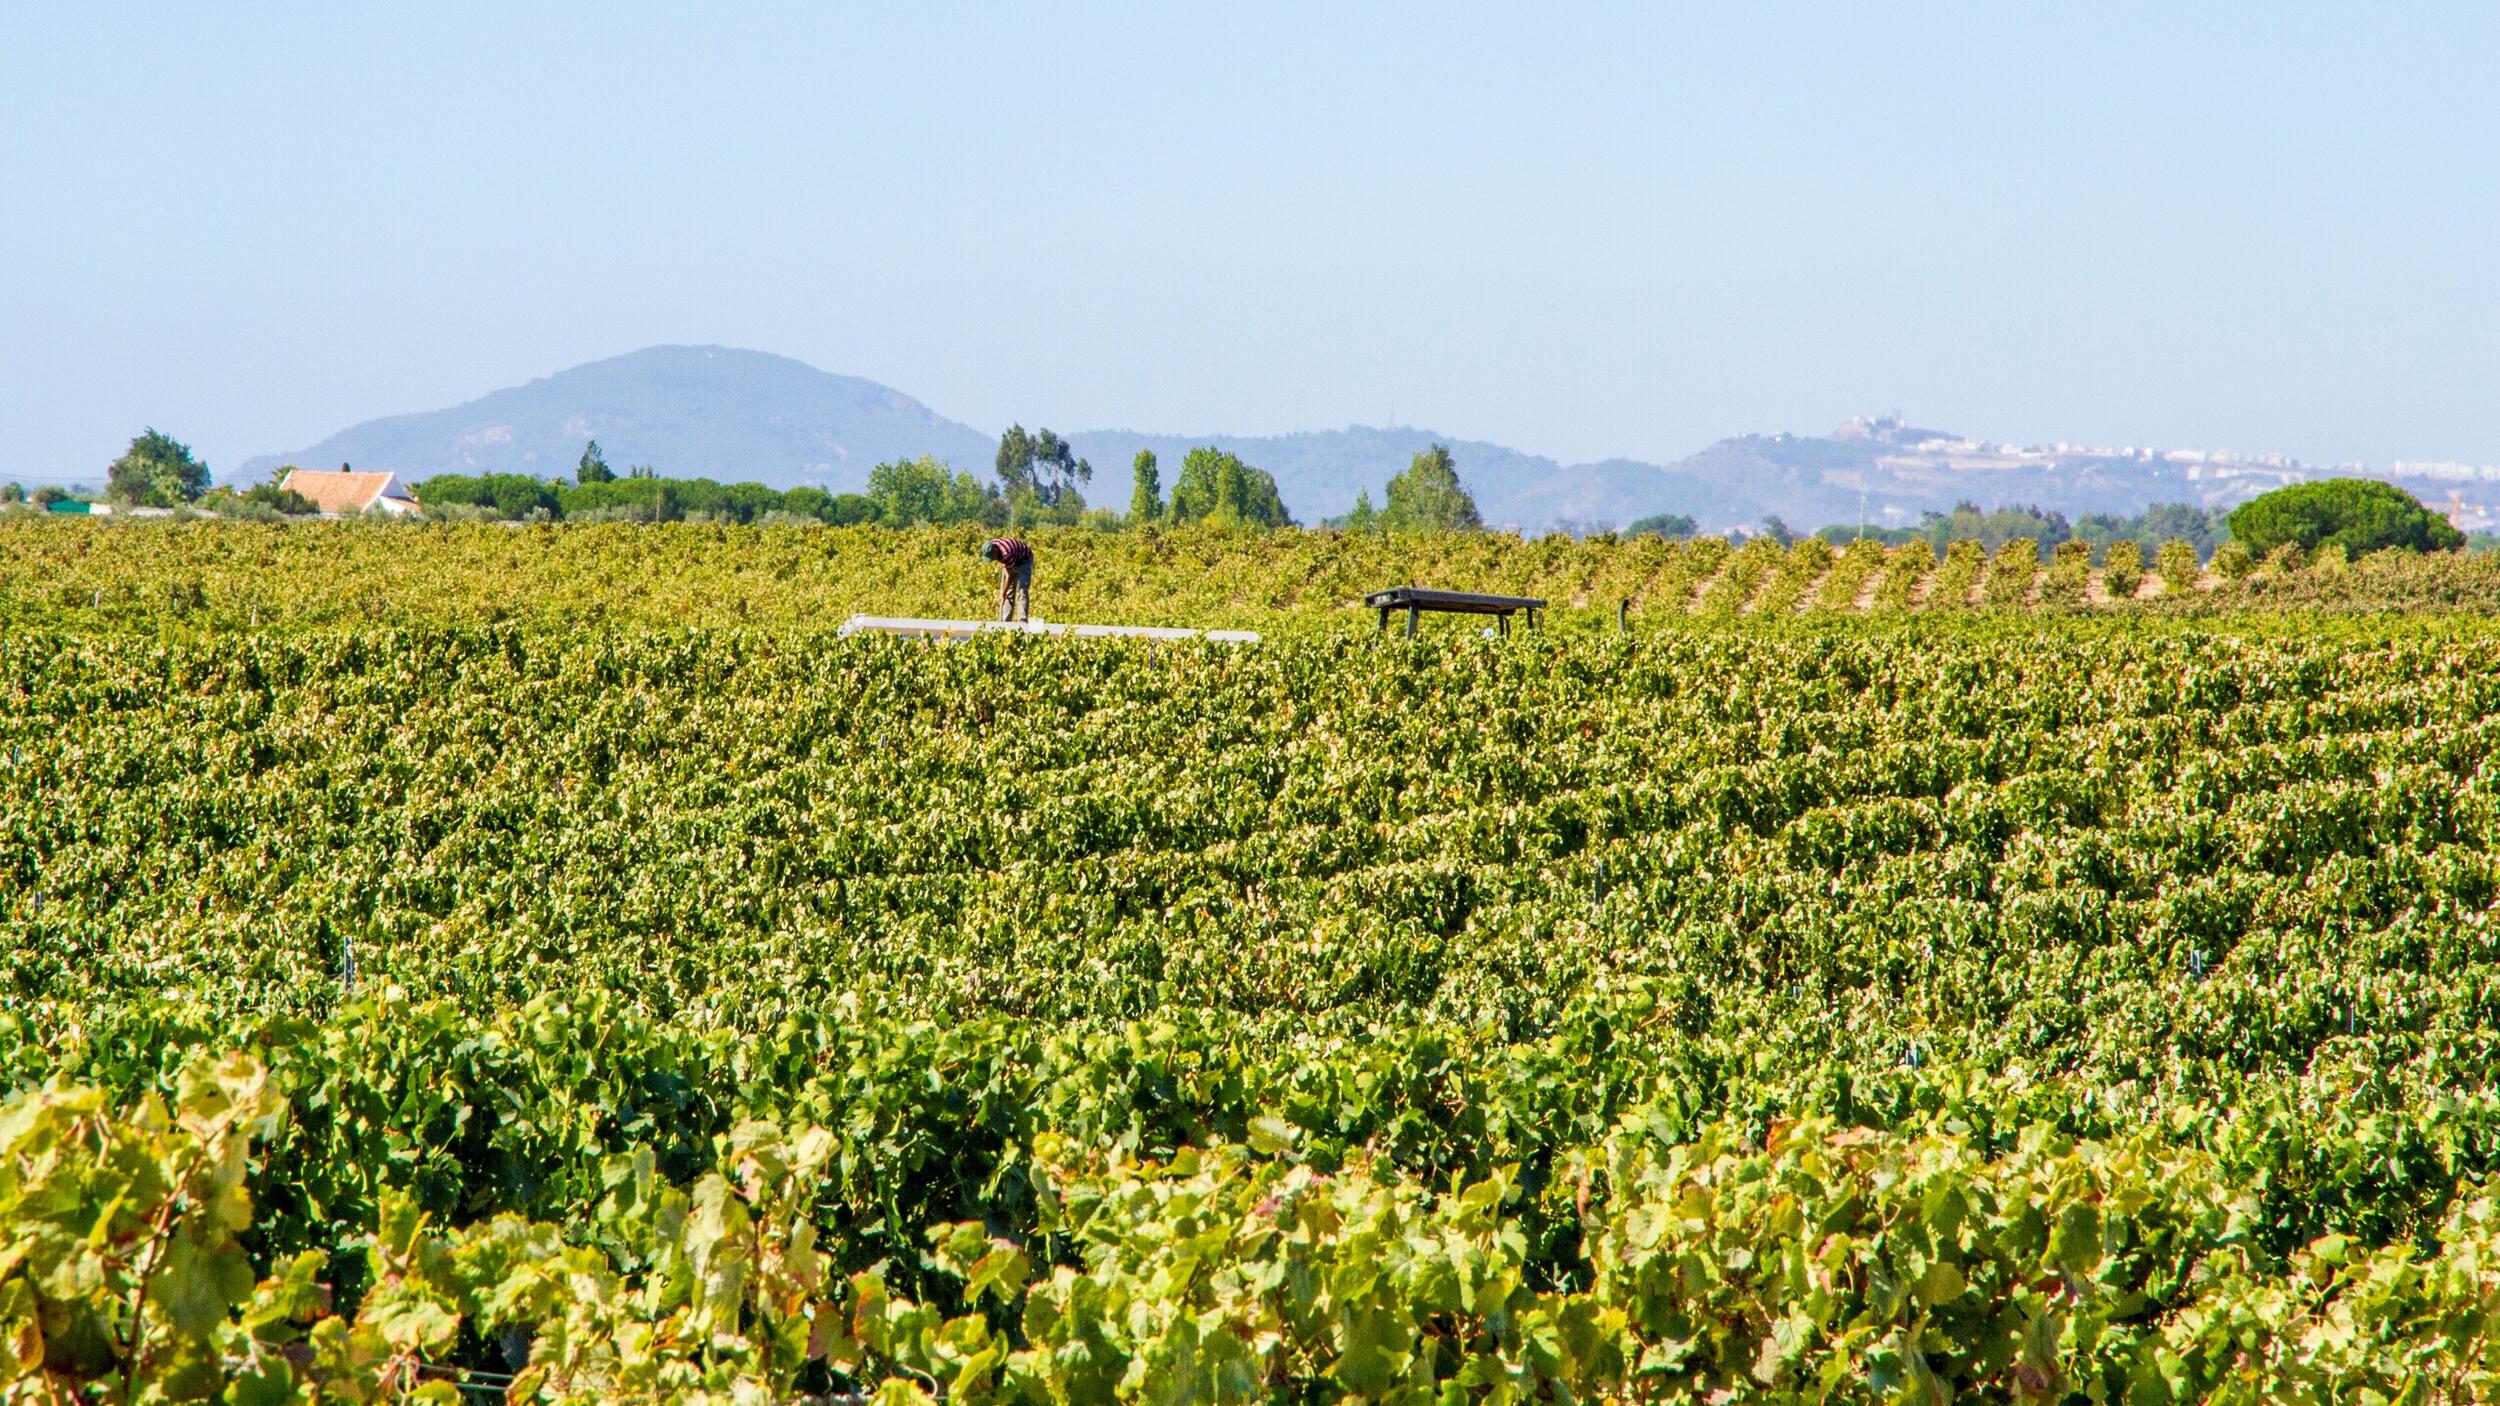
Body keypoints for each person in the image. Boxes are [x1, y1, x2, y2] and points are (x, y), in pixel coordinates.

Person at [982, 535, 1034, 621]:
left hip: (1024, 560)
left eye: (992, 558)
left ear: (995, 552)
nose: (993, 560)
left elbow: (1011, 577)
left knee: (1022, 589)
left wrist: (1003, 593)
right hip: (1013, 557)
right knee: (1009, 592)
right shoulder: (992, 544)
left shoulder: (1006, 554)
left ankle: (1022, 620)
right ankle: (1005, 621)